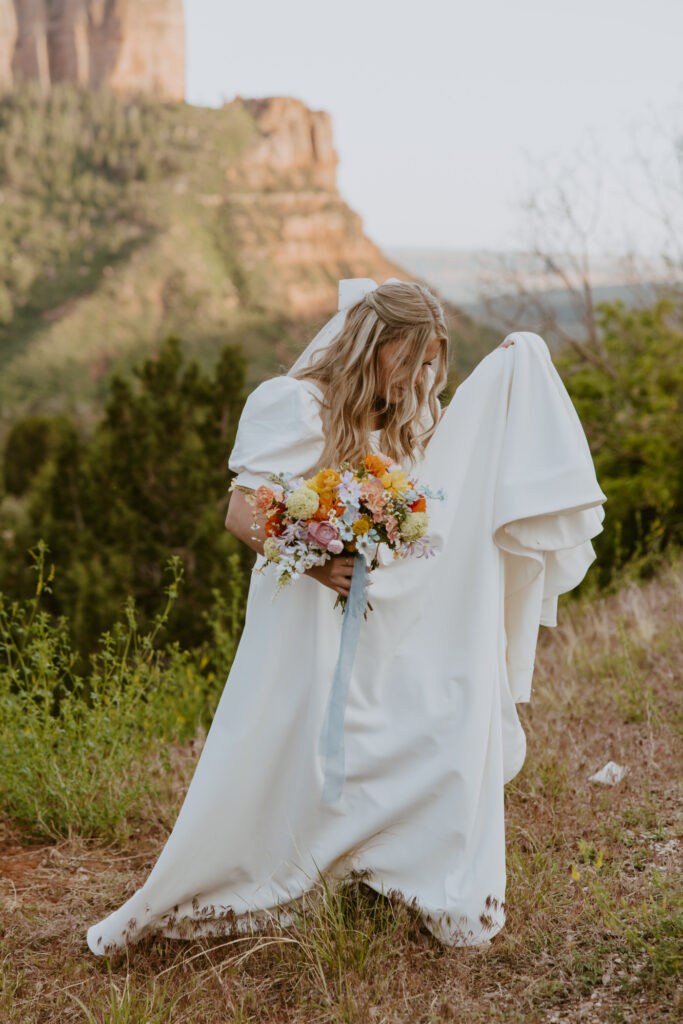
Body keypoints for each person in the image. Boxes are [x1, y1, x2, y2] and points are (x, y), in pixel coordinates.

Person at [86, 277, 606, 956]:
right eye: (413, 359)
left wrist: (506, 375)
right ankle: (279, 860)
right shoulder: (293, 404)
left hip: (373, 609)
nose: (422, 377)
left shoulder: (402, 418)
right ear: (376, 345)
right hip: (302, 607)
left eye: (431, 364)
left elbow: (455, 468)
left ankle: (386, 862)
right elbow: (241, 511)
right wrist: (310, 558)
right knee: (292, 737)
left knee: (401, 723)